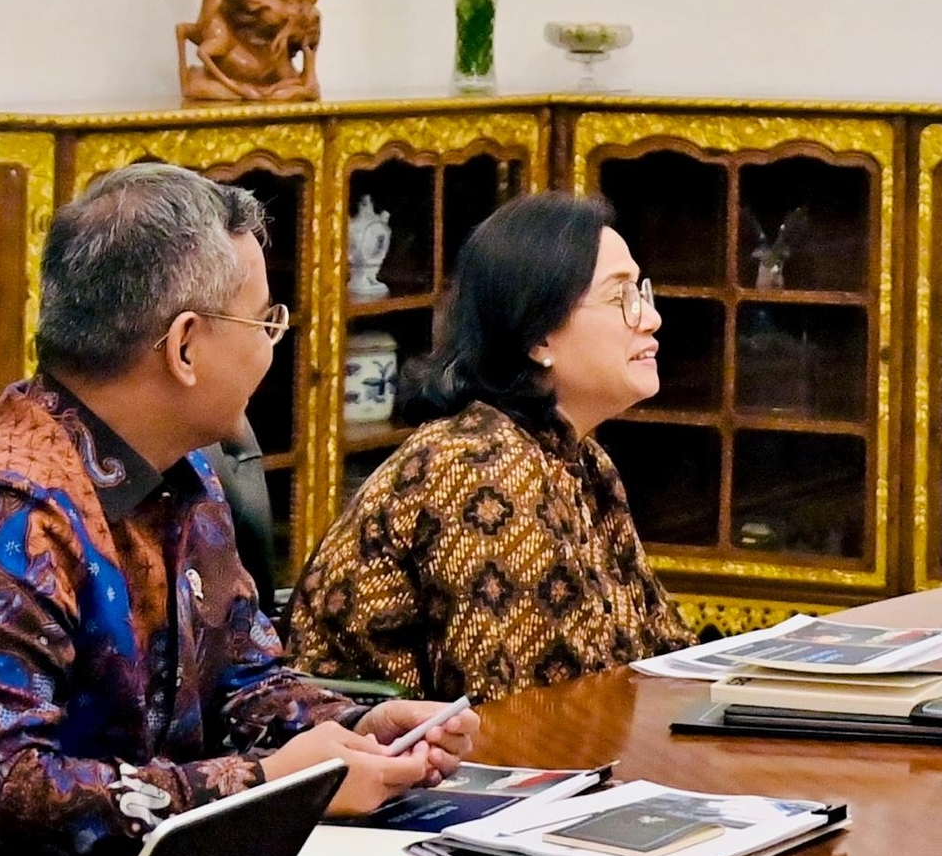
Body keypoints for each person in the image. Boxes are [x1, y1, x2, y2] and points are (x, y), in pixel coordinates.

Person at [0, 163, 467, 856]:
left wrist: (359, 728)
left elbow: (244, 682)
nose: (275, 345)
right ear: (184, 346)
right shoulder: (4, 515)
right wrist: (263, 783)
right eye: (264, 320)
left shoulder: (186, 473)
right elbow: (1, 793)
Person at [288, 195, 693, 701]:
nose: (650, 319)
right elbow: (520, 712)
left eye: (642, 292)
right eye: (620, 299)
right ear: (538, 335)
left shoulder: (582, 458)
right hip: (395, 768)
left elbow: (663, 649)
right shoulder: (481, 466)